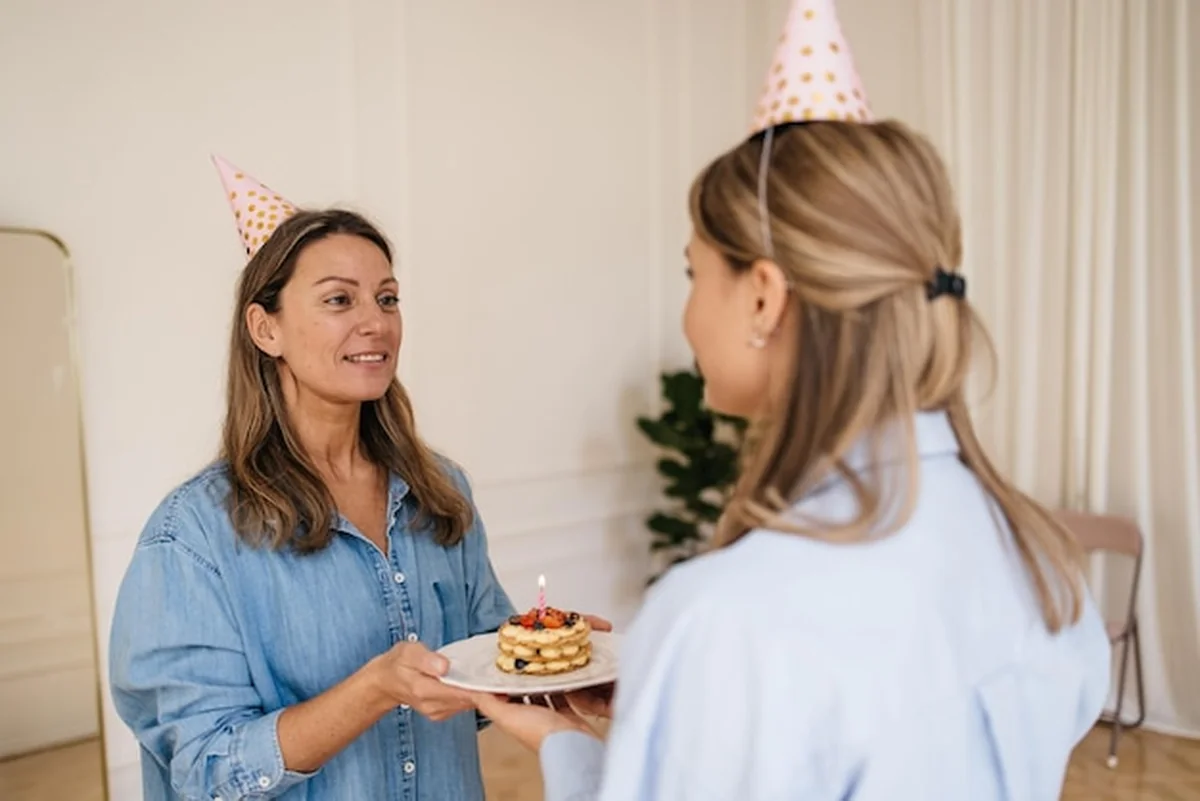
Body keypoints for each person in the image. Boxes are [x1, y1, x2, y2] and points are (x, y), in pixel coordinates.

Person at [472, 2, 1112, 799]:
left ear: (764, 298)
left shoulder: (727, 622)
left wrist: (635, 718)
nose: (688, 316)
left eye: (693, 274)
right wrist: (664, 709)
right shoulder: (1042, 558)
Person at [108, 158, 608, 800]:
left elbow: (477, 679)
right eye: (339, 299)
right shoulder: (193, 537)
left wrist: (549, 671)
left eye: (387, 298)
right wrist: (371, 691)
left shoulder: (440, 492)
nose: (376, 322)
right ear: (266, 329)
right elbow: (209, 771)